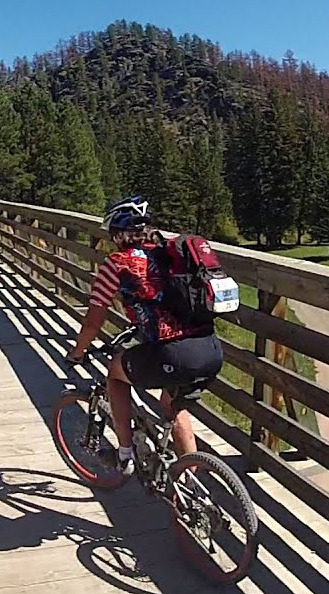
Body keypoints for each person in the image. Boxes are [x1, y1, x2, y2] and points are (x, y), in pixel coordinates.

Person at [66, 196, 224, 475]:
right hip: (209, 348)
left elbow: (93, 321)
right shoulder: (170, 253)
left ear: (117, 234)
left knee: (115, 373)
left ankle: (124, 455)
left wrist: (77, 352)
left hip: (172, 353)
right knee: (172, 405)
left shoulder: (117, 264)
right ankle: (192, 487)